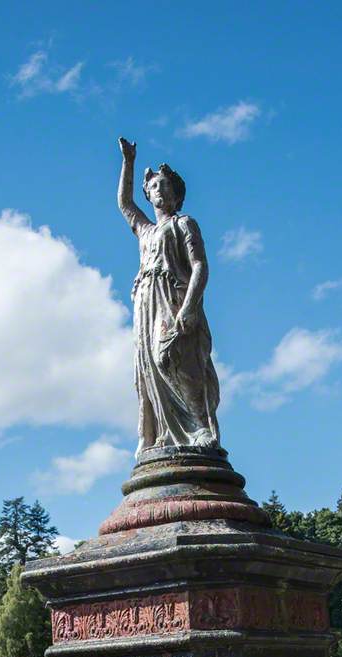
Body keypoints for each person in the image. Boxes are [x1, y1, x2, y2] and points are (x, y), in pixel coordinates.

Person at [118, 136, 220, 457]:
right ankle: (157, 433)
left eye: (165, 187)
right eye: (154, 187)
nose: (159, 191)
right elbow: (124, 203)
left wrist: (190, 306)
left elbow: (200, 266)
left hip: (172, 297)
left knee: (172, 356)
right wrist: (129, 162)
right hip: (145, 301)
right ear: (148, 195)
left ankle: (199, 426)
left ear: (176, 197)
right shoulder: (146, 231)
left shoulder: (184, 224)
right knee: (147, 366)